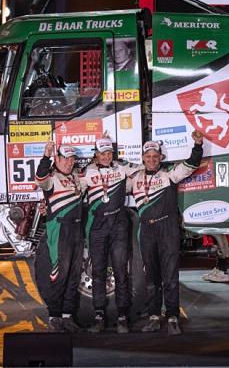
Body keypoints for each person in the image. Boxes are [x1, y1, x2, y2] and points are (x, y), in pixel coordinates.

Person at [128, 132, 204, 335]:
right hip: (146, 230)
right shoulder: (134, 178)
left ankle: (172, 317)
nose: (152, 159)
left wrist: (198, 145)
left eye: (155, 156)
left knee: (170, 276)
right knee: (151, 277)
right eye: (148, 156)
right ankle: (154, 316)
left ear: (160, 157)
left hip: (167, 229)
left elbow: (191, 164)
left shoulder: (169, 174)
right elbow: (109, 185)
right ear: (143, 158)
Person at [82, 137, 143, 333]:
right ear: (96, 154)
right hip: (98, 226)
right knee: (98, 272)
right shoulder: (87, 172)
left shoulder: (122, 167)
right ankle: (99, 316)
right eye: (103, 153)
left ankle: (123, 316)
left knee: (121, 271)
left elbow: (143, 170)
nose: (106, 156)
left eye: (109, 153)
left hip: (118, 224)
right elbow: (73, 191)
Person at [33, 143, 84, 333]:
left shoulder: (76, 177)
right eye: (65, 159)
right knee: (58, 274)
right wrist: (46, 156)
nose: (69, 162)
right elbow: (40, 178)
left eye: (72, 159)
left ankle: (67, 316)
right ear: (57, 159)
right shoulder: (51, 179)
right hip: (60, 229)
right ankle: (54, 316)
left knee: (74, 275)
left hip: (77, 229)